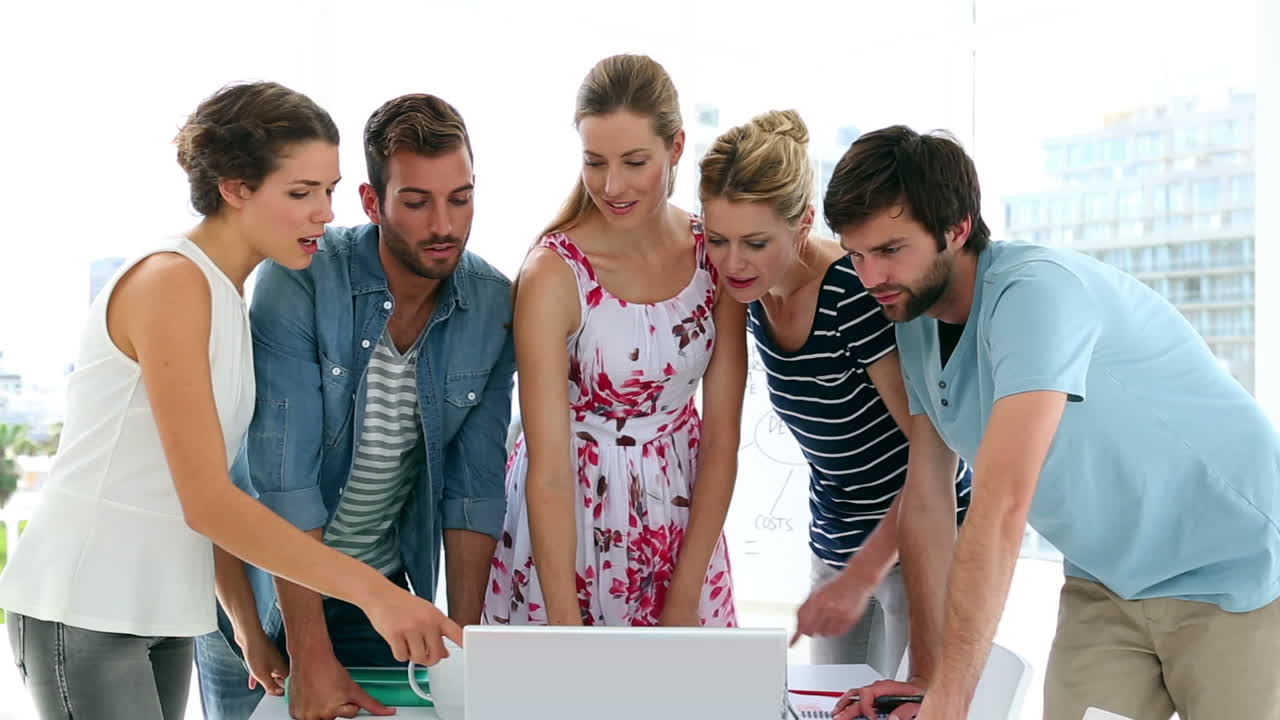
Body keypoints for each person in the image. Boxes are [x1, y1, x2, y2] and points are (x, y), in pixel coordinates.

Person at [0, 81, 463, 720]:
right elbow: (208, 503)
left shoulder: (228, 299)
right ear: (236, 188)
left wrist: (246, 625)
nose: (325, 213)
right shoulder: (171, 283)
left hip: (160, 607)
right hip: (86, 602)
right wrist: (375, 594)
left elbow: (212, 483)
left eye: (328, 190)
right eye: (300, 193)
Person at [826, 125, 1280, 720]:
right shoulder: (910, 317)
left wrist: (950, 706)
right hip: (1106, 580)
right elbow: (931, 500)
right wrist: (930, 680)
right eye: (857, 254)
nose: (870, 277)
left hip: (1239, 568)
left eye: (890, 250)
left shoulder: (1036, 294)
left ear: (957, 228)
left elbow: (1002, 505)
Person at [194, 93, 516, 720]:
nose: (444, 225)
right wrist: (310, 655)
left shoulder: (491, 304)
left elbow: (474, 491)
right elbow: (285, 483)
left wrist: (465, 651)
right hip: (261, 588)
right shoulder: (301, 277)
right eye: (417, 203)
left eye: (461, 198)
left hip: (378, 590)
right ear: (373, 204)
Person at [697, 110, 971, 676]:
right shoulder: (747, 296)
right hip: (836, 540)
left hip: (920, 533)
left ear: (803, 224)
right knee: (829, 703)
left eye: (754, 242)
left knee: (916, 701)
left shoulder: (852, 291)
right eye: (717, 239)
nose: (732, 261)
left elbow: (933, 448)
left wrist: (864, 573)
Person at [483, 53, 747, 628]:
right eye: (594, 161)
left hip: (682, 528)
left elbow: (722, 441)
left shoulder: (715, 257)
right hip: (564, 534)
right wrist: (563, 623)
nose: (612, 185)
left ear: (676, 148)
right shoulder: (554, 273)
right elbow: (547, 472)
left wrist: (686, 593)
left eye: (634, 162)